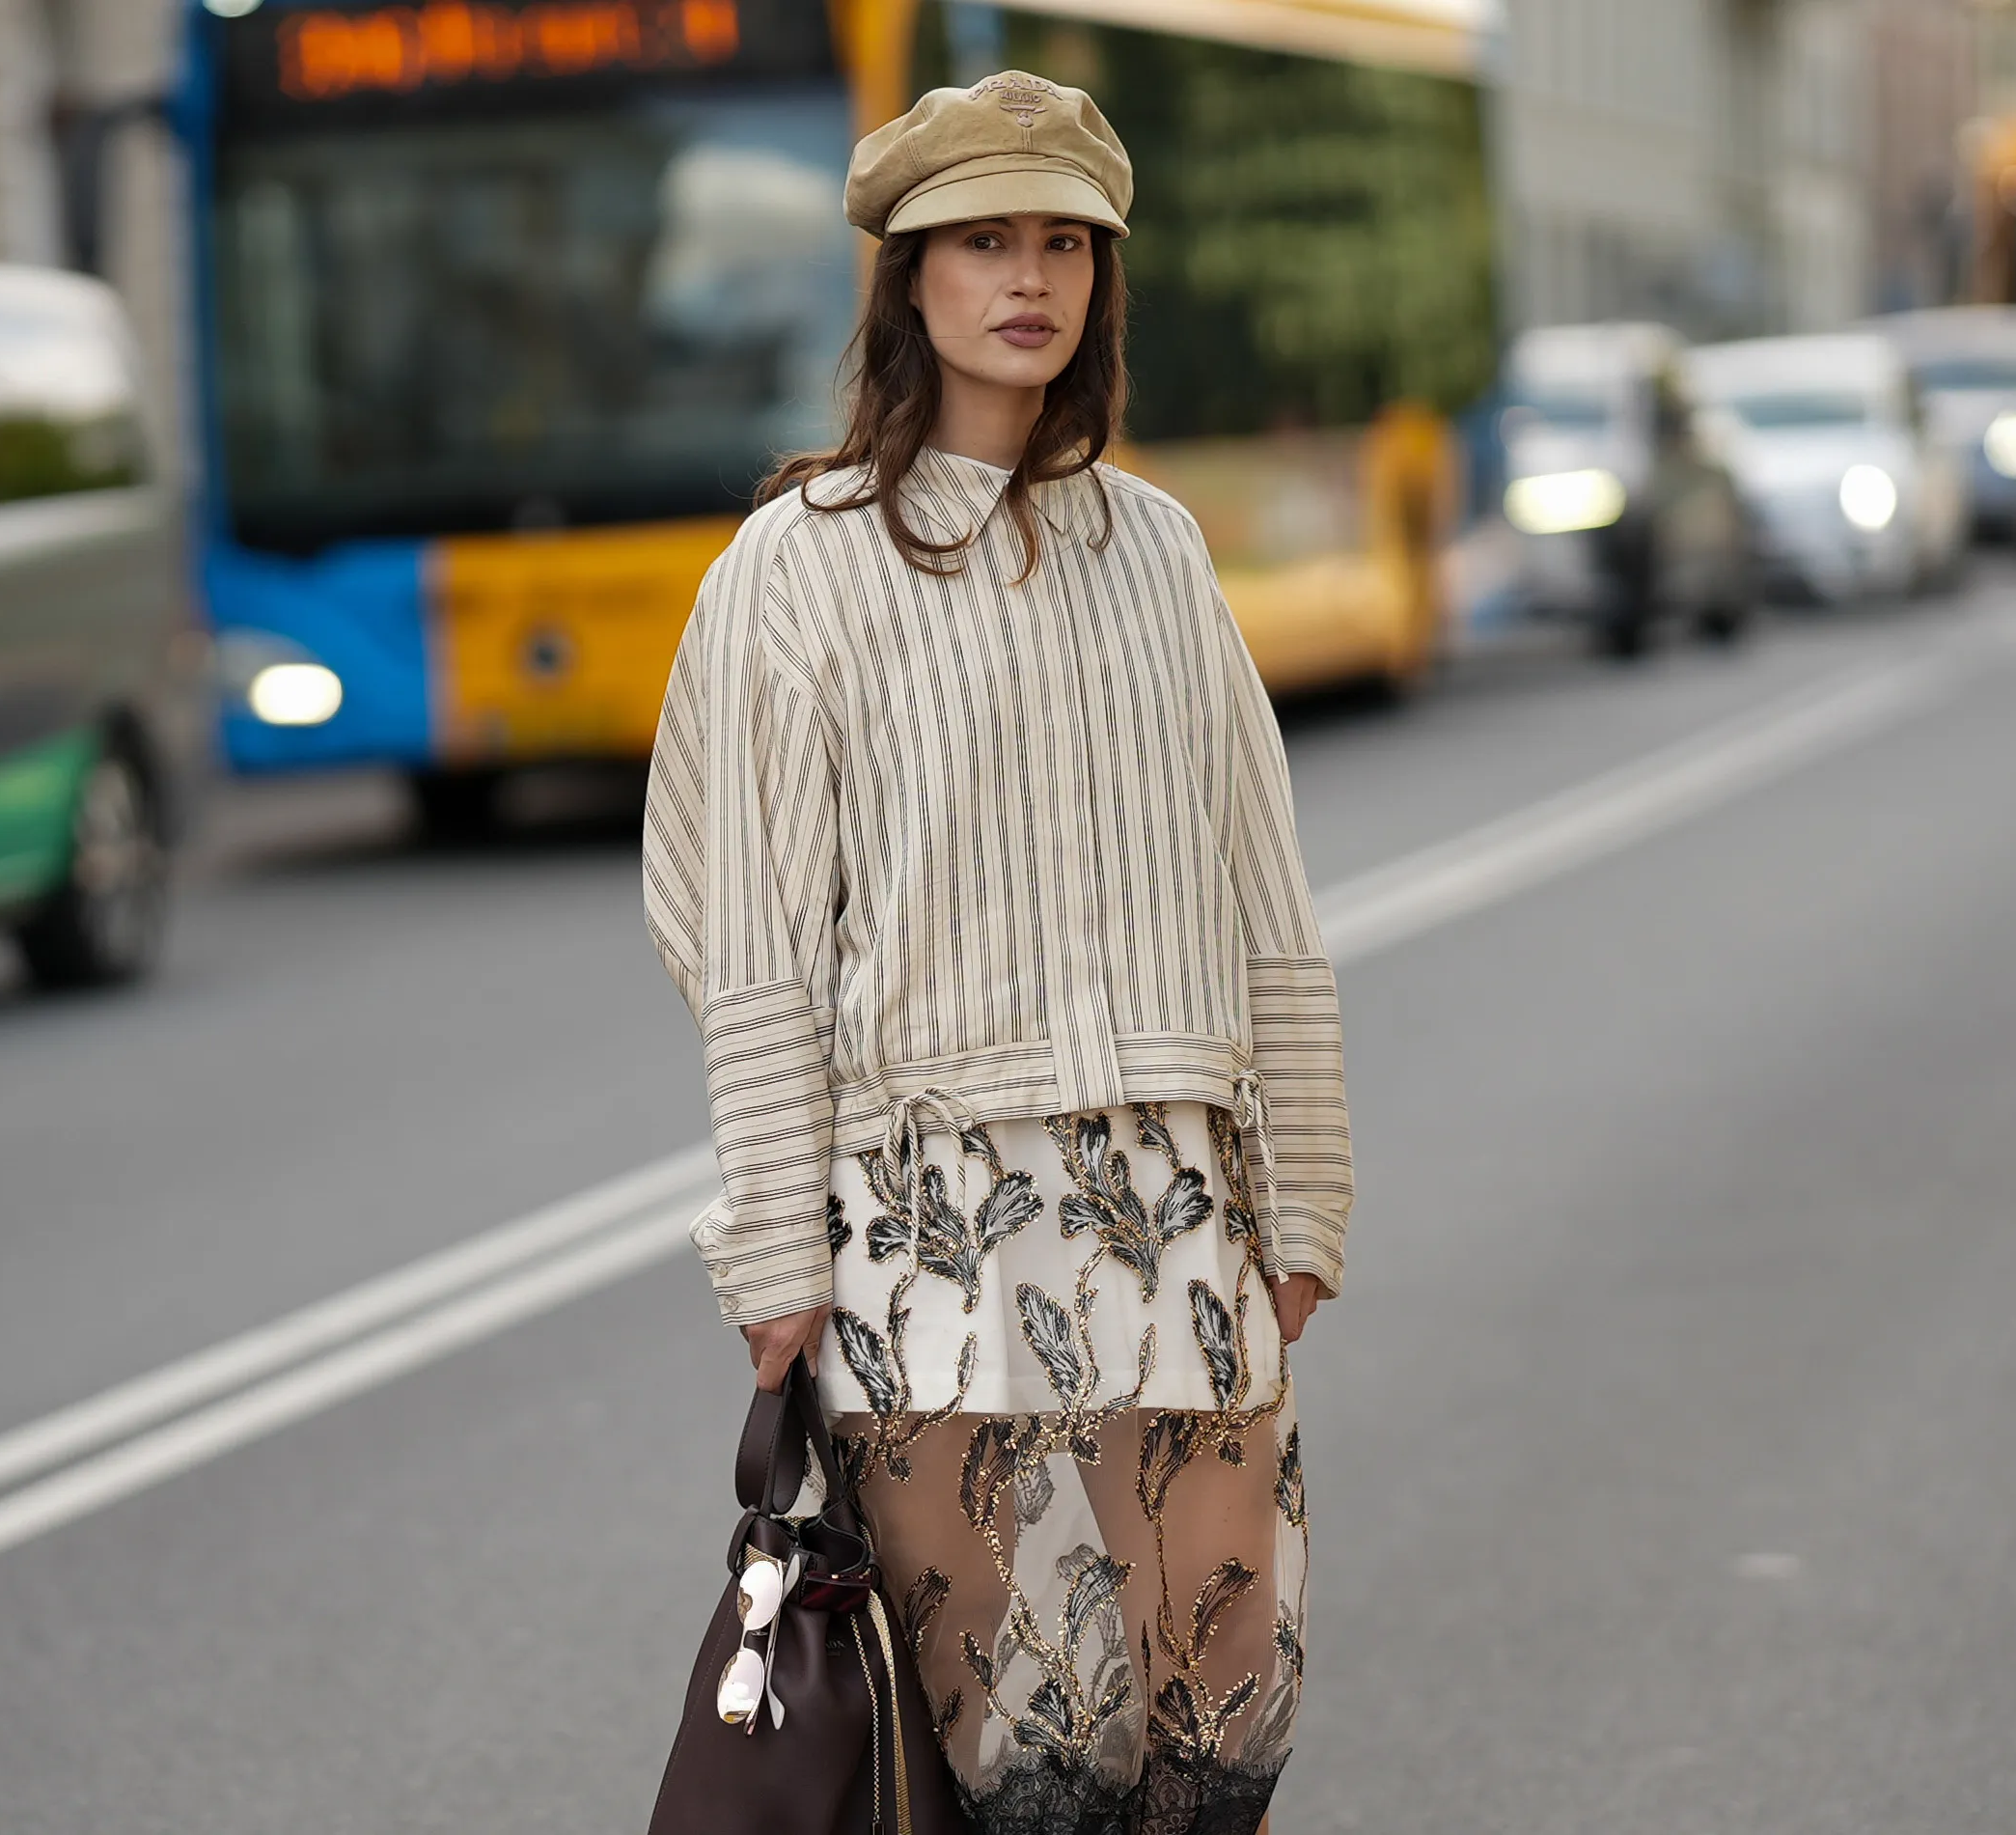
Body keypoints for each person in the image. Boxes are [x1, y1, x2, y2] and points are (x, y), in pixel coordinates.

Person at [643, 72, 1351, 1835]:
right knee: (1035, 1772)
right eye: (981, 242)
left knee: (1220, 1753)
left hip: (1180, 1224)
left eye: (1061, 243)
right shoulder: (792, 570)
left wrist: (1307, 1203)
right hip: (933, 1251)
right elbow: (748, 947)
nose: (1025, 278)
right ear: (905, 277)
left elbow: (1268, 896)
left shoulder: (1160, 551)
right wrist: (770, 1251)